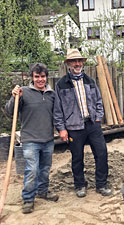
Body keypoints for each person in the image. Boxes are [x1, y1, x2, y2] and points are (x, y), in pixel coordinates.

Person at [53, 49, 111, 198]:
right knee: (77, 157)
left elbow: (99, 101)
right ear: (68, 64)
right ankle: (79, 185)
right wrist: (61, 129)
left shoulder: (89, 81)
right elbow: (58, 109)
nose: (77, 64)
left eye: (79, 61)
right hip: (73, 127)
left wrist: (98, 117)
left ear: (82, 62)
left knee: (102, 153)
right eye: (74, 61)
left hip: (92, 124)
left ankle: (101, 184)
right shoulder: (61, 85)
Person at [5, 63, 59, 214]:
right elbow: (9, 112)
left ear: (46, 77)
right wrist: (14, 97)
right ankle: (28, 199)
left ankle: (42, 191)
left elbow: (57, 115)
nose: (40, 79)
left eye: (42, 76)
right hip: (30, 140)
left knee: (45, 169)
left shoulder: (51, 94)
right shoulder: (24, 92)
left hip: (48, 139)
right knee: (32, 170)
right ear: (32, 77)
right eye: (37, 77)